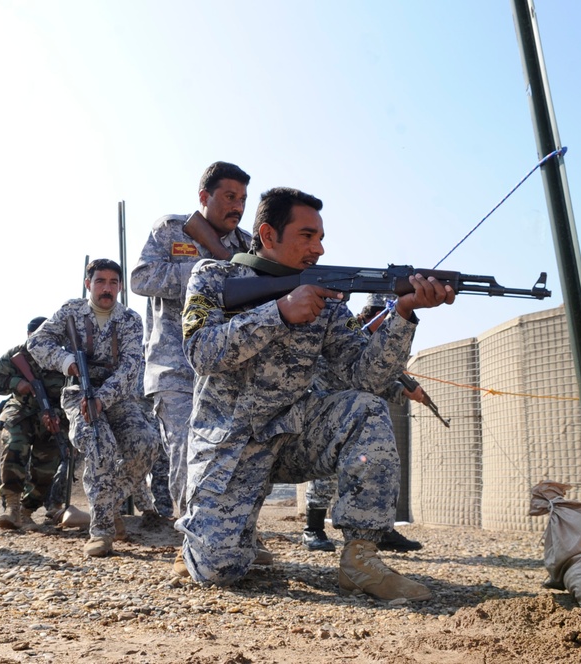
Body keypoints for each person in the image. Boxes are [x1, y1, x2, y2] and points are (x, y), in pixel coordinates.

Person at [176, 187, 453, 600]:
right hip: (229, 444)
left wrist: (403, 314)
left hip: (291, 435)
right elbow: (202, 352)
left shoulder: (328, 301)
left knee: (366, 409)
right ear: (268, 235)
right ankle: (210, 539)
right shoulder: (215, 278)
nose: (319, 248)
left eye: (321, 237)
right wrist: (280, 313)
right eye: (308, 236)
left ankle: (361, 559)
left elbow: (365, 377)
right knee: (219, 571)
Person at [130, 161, 252, 517]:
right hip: (175, 366)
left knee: (232, 454)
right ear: (204, 196)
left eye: (243, 199)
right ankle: (190, 537)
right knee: (185, 450)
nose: (237, 206)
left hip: (223, 367)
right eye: (229, 197)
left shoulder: (245, 245)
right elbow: (141, 278)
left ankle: (232, 534)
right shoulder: (172, 230)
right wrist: (204, 271)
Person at [27, 258, 160, 557]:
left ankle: (108, 506)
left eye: (113, 283)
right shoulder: (72, 311)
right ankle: (101, 532)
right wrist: (66, 362)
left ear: (120, 287)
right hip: (79, 394)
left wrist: (103, 397)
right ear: (88, 284)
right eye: (100, 281)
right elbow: (37, 343)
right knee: (100, 447)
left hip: (116, 396)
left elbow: (129, 367)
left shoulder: (130, 320)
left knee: (147, 444)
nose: (107, 288)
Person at [302, 297, 426, 553]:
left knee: (374, 466)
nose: (387, 325)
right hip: (329, 411)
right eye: (385, 317)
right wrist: (396, 388)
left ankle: (380, 529)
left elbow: (375, 382)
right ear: (371, 315)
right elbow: (357, 378)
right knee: (326, 477)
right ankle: (313, 530)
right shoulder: (345, 337)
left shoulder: (371, 344)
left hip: (358, 416)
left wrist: (403, 392)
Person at [0, 317, 69, 530]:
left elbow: (70, 395)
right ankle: (12, 508)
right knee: (15, 448)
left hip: (50, 415)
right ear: (28, 335)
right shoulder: (16, 355)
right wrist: (17, 383)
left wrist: (56, 414)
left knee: (48, 465)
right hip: (20, 411)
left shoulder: (61, 359)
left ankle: (27, 510)